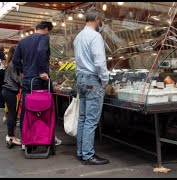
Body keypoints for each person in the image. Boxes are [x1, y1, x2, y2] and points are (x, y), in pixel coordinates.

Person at [12, 21, 61, 150]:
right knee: (44, 110)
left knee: (27, 109)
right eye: (48, 31)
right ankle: (45, 137)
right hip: (40, 80)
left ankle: (26, 140)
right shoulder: (44, 37)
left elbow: (15, 60)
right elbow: (40, 51)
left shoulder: (23, 41)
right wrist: (41, 71)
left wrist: (24, 70)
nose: (48, 33)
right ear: (45, 29)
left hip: (28, 79)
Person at [73, 6, 109, 165]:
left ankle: (81, 152)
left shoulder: (78, 37)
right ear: (97, 20)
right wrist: (105, 79)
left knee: (82, 118)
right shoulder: (95, 37)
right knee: (91, 120)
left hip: (81, 78)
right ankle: (88, 155)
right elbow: (100, 62)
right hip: (93, 80)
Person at [2, 45, 22, 146]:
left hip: (7, 90)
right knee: (12, 114)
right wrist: (23, 81)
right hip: (9, 90)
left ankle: (11, 135)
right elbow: (15, 77)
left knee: (12, 113)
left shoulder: (10, 63)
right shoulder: (13, 63)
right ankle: (11, 135)